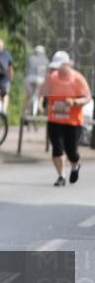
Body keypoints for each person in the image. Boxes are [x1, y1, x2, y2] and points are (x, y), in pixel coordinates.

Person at [40, 51, 91, 186]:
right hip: (55, 119)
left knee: (71, 152)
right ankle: (61, 176)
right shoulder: (52, 77)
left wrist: (74, 103)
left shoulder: (77, 79)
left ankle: (75, 165)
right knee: (57, 148)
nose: (57, 70)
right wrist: (46, 77)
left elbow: (87, 97)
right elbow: (43, 94)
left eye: (59, 66)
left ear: (67, 65)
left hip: (73, 122)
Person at [24, 45, 50, 117]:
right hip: (40, 80)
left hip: (29, 79)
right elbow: (47, 73)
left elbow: (27, 70)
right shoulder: (46, 60)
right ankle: (39, 105)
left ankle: (26, 110)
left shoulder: (30, 58)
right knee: (41, 94)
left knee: (28, 95)